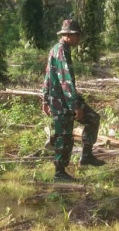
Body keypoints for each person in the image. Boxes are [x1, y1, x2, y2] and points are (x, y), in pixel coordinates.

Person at [42, 19, 105, 182]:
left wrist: (44, 99)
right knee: (64, 136)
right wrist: (75, 105)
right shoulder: (61, 51)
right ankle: (59, 172)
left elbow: (47, 76)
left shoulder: (58, 49)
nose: (79, 39)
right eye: (77, 36)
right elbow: (66, 80)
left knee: (93, 118)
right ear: (68, 36)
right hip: (61, 102)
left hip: (62, 100)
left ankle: (87, 155)